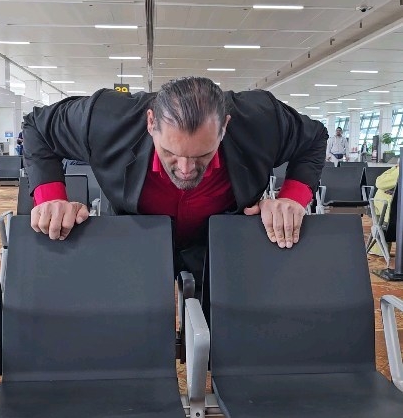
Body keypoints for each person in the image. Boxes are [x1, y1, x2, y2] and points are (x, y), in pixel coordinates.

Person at [22, 77, 328, 288]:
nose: (185, 170)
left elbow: (314, 138)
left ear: (225, 127)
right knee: (129, 330)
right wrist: (51, 197)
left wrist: (292, 198)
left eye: (202, 155)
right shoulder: (103, 119)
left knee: (228, 334)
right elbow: (37, 127)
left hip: (220, 237)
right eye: (170, 152)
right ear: (151, 123)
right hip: (135, 234)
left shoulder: (263, 119)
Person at [368, 164, 399, 257]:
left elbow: (380, 182)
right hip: (393, 214)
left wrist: (395, 168)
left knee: (380, 221)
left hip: (391, 217)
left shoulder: (399, 171)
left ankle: (379, 251)